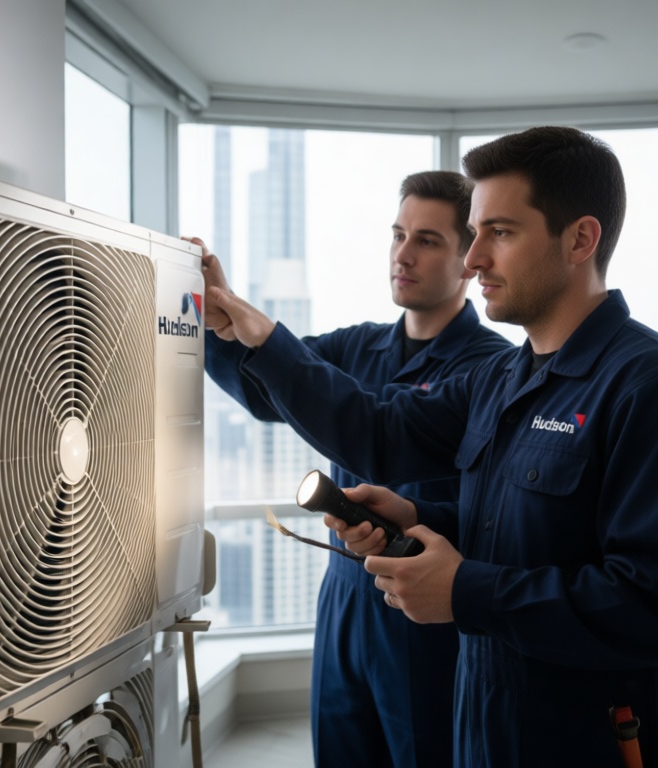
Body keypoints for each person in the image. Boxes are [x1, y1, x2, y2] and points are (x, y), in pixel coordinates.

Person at [201, 127, 658, 767]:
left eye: (500, 233)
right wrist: (420, 518)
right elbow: (383, 433)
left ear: (580, 240)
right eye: (476, 232)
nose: (474, 258)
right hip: (484, 716)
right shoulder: (503, 379)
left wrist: (465, 592)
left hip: (597, 737)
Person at [192, 170, 512, 768]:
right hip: (344, 592)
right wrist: (216, 317)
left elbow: (375, 430)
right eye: (398, 235)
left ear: (469, 259)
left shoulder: (493, 369)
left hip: (420, 608)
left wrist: (260, 332)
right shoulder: (358, 346)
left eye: (427, 240)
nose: (403, 254)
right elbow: (269, 389)